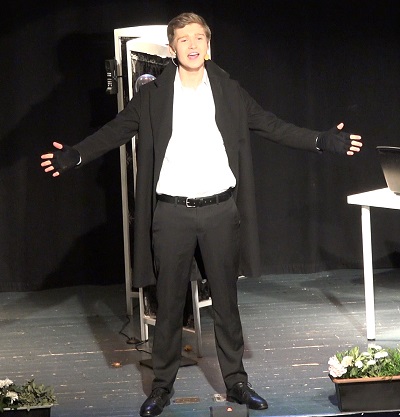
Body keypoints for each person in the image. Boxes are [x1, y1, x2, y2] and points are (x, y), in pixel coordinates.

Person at [41, 12, 362, 417]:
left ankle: (237, 383)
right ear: (172, 48)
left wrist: (321, 140)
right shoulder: (154, 95)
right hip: (172, 214)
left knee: (226, 303)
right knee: (169, 306)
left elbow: (272, 126)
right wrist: (75, 155)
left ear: (208, 45)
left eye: (198, 38)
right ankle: (161, 387)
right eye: (183, 39)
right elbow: (115, 131)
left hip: (219, 212)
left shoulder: (229, 90)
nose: (192, 45)